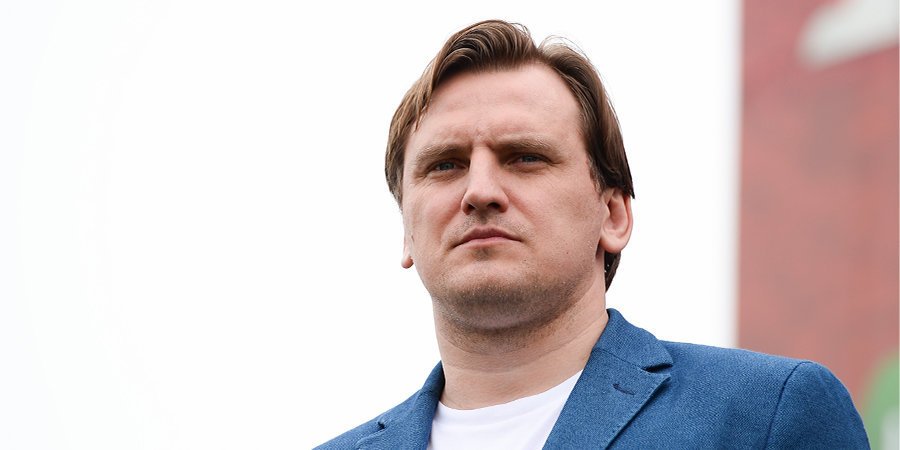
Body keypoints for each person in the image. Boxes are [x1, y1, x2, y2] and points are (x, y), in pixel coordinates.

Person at [316, 20, 868, 449]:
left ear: (613, 215)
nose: (480, 190)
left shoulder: (768, 416)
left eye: (525, 157)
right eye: (445, 165)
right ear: (406, 233)